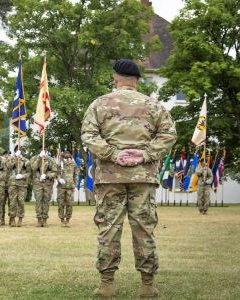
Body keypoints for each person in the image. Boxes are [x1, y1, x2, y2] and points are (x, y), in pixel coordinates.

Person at [81, 59, 177, 298]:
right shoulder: (154, 105)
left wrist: (113, 154)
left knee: (109, 228)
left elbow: (89, 135)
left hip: (109, 178)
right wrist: (145, 154)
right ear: (137, 80)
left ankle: (106, 284)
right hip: (143, 176)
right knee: (144, 229)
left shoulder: (99, 104)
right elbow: (169, 135)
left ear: (115, 78)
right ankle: (147, 285)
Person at [30, 144, 57, 227]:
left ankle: (45, 219)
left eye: (44, 149)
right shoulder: (34, 158)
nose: (43, 150)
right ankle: (39, 219)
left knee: (46, 201)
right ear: (39, 150)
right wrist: (39, 158)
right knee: (38, 200)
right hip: (38, 183)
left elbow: (55, 172)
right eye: (41, 149)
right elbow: (33, 168)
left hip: (47, 183)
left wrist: (47, 175)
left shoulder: (51, 160)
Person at [6, 145, 30, 227]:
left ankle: (20, 218)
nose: (18, 151)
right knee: (12, 202)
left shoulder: (26, 160)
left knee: (21, 202)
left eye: (20, 150)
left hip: (22, 184)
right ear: (15, 150)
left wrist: (23, 176)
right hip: (12, 183)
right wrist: (16, 158)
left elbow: (29, 172)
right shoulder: (10, 159)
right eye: (17, 150)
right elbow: (8, 166)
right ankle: (12, 218)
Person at [56, 147, 79, 227]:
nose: (67, 154)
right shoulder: (59, 163)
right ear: (63, 154)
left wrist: (76, 184)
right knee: (61, 204)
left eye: (68, 153)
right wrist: (59, 179)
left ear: (70, 154)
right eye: (65, 153)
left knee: (69, 204)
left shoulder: (73, 163)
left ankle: (68, 220)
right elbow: (57, 173)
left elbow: (76, 174)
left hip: (70, 186)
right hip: (61, 187)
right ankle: (62, 220)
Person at [1, 150, 11, 225]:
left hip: (11, 185)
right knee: (1, 203)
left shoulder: (12, 162)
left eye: (9, 155)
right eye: (6, 155)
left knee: (12, 203)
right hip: (2, 185)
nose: (7, 156)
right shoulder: (1, 162)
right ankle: (2, 218)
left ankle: (11, 218)